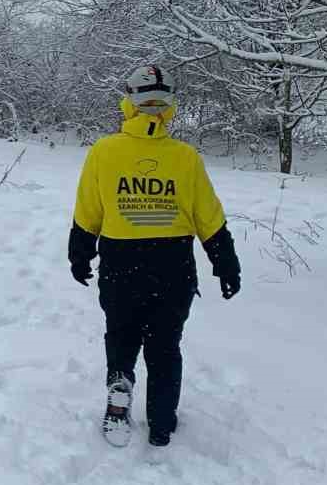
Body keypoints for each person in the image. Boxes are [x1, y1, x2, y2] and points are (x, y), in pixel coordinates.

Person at [67, 65, 241, 447]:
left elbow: (88, 211)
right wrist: (225, 263)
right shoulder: (185, 157)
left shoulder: (104, 151)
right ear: (167, 108)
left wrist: (79, 255)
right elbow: (208, 216)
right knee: (165, 347)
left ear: (128, 104)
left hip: (120, 263)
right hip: (173, 266)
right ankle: (162, 422)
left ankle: (119, 383)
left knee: (122, 334)